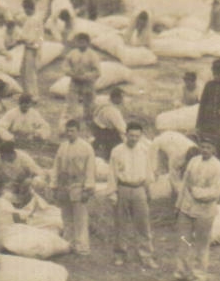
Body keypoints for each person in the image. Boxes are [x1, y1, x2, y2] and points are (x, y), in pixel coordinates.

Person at [173, 135, 220, 281]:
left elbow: (216, 192)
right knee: (184, 241)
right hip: (186, 208)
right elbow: (184, 185)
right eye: (202, 147)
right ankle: (181, 272)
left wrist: (196, 192)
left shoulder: (217, 167)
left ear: (214, 150)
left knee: (201, 244)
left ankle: (199, 275)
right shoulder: (193, 161)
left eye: (208, 148)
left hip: (204, 211)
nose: (205, 150)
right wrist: (178, 205)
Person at [108, 121, 157, 268]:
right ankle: (120, 254)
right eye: (131, 135)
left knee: (143, 224)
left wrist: (149, 190)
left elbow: (149, 171)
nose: (134, 139)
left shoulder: (144, 150)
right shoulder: (117, 151)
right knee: (121, 224)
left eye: (137, 136)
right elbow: (112, 173)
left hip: (139, 189)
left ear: (141, 136)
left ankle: (146, 255)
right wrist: (112, 193)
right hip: (123, 188)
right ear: (126, 135)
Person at [50, 119, 98, 256]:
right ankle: (67, 244)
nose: (69, 133)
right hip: (64, 184)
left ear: (79, 131)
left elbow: (90, 169)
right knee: (66, 216)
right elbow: (56, 166)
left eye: (72, 131)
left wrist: (88, 189)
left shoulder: (86, 147)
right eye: (68, 131)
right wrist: (54, 185)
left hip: (79, 184)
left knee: (80, 218)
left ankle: (82, 247)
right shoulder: (62, 146)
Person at [63, 33, 102, 126]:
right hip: (75, 80)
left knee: (89, 101)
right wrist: (71, 73)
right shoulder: (72, 53)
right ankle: (73, 119)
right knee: (71, 99)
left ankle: (88, 118)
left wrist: (86, 76)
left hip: (88, 82)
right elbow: (65, 66)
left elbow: (97, 71)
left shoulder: (92, 55)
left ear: (88, 43)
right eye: (79, 42)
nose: (81, 44)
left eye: (83, 42)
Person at [17, 0, 44, 98]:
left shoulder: (33, 20)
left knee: (29, 74)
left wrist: (20, 39)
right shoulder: (35, 19)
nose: (24, 11)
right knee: (23, 71)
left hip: (32, 49)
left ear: (29, 8)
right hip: (31, 48)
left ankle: (32, 96)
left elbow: (31, 38)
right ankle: (27, 93)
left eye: (25, 8)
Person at [90, 86, 128, 158]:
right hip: (106, 134)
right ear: (115, 98)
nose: (122, 100)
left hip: (97, 129)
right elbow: (123, 129)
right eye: (121, 98)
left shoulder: (103, 104)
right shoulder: (113, 111)